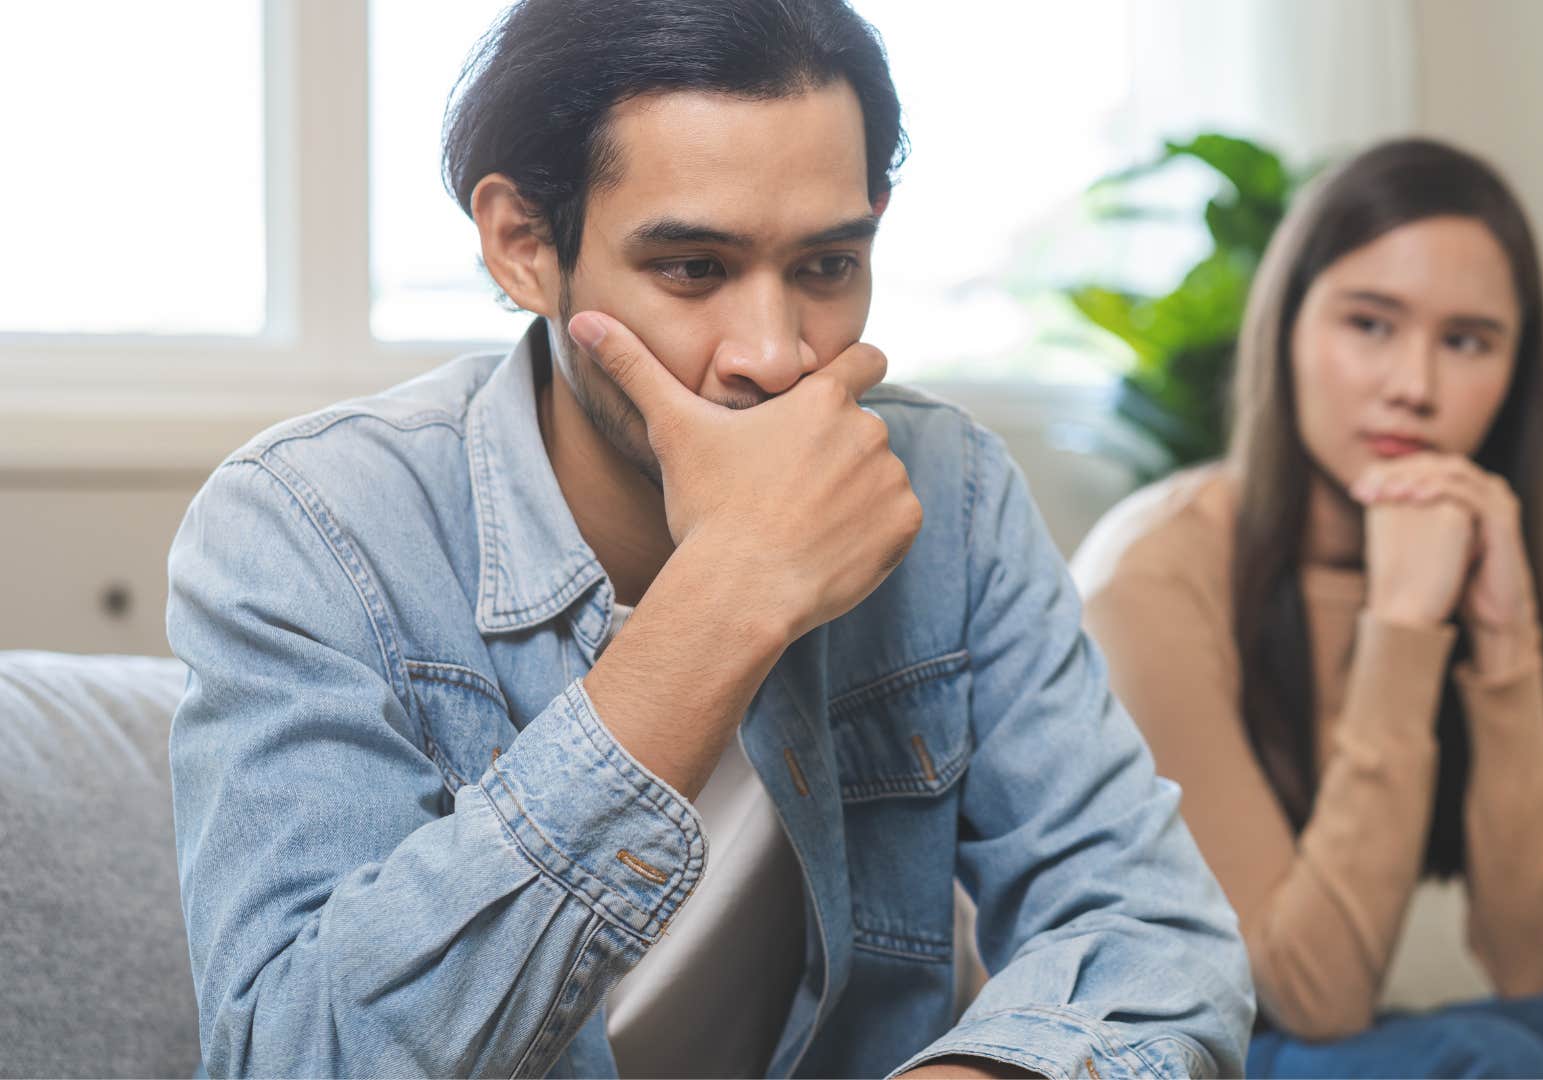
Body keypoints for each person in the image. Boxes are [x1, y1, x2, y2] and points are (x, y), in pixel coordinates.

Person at [165, 1, 1252, 1075]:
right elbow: (296, 1058)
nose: (774, 356)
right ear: (524, 245)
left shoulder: (950, 493)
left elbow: (1155, 940)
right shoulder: (312, 524)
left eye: (827, 266)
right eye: (693, 269)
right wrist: (722, 602)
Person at [1071, 138, 1543, 1078]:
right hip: (1147, 1037)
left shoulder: (1499, 564)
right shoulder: (1155, 573)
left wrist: (1503, 644)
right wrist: (1404, 631)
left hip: (1306, 1026)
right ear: (1288, 328)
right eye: (1370, 324)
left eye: (1466, 342)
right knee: (1484, 1060)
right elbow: (1307, 993)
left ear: (1513, 374)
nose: (1413, 386)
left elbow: (1540, 966)